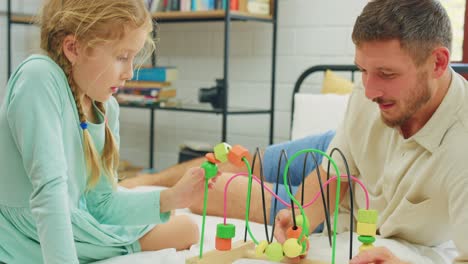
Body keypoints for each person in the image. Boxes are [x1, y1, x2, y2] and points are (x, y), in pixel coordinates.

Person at [122, 0, 468, 263]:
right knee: (236, 161)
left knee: (207, 191)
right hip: (334, 156)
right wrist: (302, 218)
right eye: (363, 70)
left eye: (387, 74)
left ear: (438, 62)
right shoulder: (370, 98)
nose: (369, 89)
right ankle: (132, 183)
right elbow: (332, 173)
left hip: (352, 210)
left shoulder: (462, 144)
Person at [0, 0, 217, 263]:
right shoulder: (39, 77)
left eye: (133, 58)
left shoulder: (106, 107)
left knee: (188, 229)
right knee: (179, 231)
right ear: (73, 48)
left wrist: (172, 197)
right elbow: (49, 192)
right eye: (122, 57)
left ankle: (113, 245)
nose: (129, 73)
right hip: (22, 235)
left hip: (73, 221)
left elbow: (100, 204)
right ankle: (113, 247)